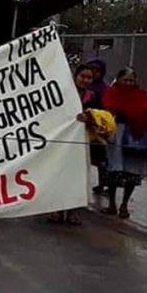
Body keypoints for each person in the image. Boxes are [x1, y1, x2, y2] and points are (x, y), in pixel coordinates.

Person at [51, 64, 112, 225]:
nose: (85, 80)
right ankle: (56, 209)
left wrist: (90, 117)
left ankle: (73, 210)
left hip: (82, 141)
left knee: (78, 174)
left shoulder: (93, 96)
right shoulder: (64, 93)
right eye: (82, 76)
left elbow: (103, 116)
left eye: (89, 77)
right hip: (62, 140)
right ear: (75, 76)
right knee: (59, 172)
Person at [102, 67, 147, 219]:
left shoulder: (141, 95)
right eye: (125, 80)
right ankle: (111, 204)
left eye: (131, 80)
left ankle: (124, 205)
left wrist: (139, 117)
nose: (128, 83)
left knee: (132, 172)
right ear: (118, 79)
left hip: (136, 136)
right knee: (113, 169)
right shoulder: (111, 93)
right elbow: (108, 109)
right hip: (116, 134)